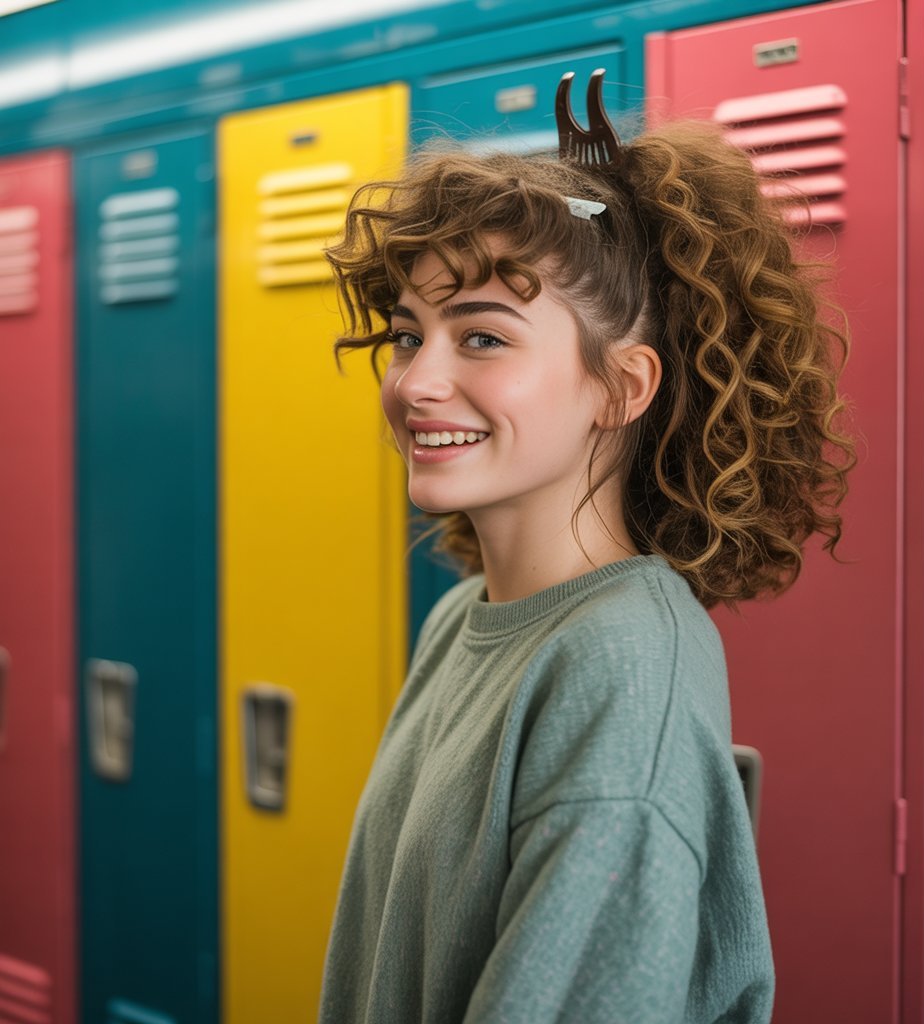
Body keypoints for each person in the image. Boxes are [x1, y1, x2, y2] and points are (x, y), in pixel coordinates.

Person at [318, 86, 854, 1023]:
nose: (417, 382)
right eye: (410, 335)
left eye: (482, 335)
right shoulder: (465, 618)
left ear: (622, 385)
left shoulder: (620, 667)